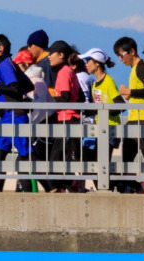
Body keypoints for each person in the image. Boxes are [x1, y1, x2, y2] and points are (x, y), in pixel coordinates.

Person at [0, 34, 32, 193]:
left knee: (26, 156)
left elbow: (15, 87)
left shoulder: (5, 65)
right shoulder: (9, 64)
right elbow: (28, 85)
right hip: (7, 117)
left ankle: (44, 189)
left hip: (14, 117)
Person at [83, 48, 137, 193]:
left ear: (97, 63)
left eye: (88, 61)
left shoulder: (108, 82)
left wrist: (103, 110)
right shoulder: (95, 84)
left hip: (110, 129)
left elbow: (120, 105)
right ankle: (118, 186)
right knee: (96, 164)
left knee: (102, 164)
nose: (86, 64)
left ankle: (122, 186)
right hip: (99, 129)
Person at [115, 35, 144, 192]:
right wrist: (131, 94)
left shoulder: (142, 67)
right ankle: (137, 187)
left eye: (122, 55)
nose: (120, 59)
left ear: (132, 51)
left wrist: (130, 91)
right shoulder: (134, 69)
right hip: (134, 120)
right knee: (125, 160)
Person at [44, 40, 82, 192]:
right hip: (70, 118)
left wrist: (48, 97)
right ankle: (68, 186)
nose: (48, 57)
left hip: (67, 119)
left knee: (56, 158)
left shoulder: (64, 72)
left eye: (51, 53)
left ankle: (69, 185)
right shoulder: (70, 71)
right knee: (61, 157)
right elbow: (80, 98)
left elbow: (65, 97)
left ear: (61, 55)